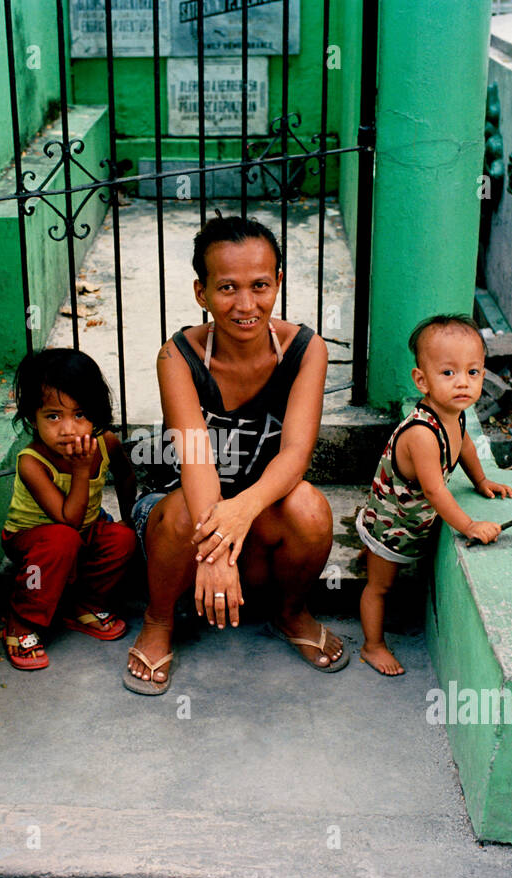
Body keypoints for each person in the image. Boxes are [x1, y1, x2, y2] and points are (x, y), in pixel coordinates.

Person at [125, 215, 343, 695]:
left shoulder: (306, 350)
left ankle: (289, 614)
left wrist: (238, 516)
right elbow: (195, 459)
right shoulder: (177, 357)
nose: (246, 305)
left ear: (278, 282)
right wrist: (216, 546)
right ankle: (159, 620)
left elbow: (295, 455)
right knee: (185, 506)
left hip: (254, 520)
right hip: (179, 526)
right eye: (227, 288)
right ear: (201, 293)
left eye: (260, 285)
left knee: (308, 506)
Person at [356, 315, 512, 675]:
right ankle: (372, 644)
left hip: (414, 521)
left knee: (391, 581)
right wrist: (469, 525)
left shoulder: (454, 413)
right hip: (391, 526)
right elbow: (435, 490)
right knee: (379, 587)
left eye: (473, 372)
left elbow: (466, 447)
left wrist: (481, 482)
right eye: (448, 373)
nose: (463, 383)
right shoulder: (422, 434)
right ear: (421, 380)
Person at [0, 347, 137, 670]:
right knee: (62, 540)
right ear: (32, 416)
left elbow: (126, 476)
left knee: (122, 539)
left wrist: (130, 520)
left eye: (80, 415)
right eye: (53, 416)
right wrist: (79, 470)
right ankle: (21, 620)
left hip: (83, 534)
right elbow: (68, 520)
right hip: (34, 543)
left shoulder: (106, 443)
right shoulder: (32, 463)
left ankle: (82, 605)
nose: (68, 429)